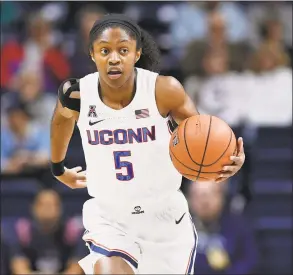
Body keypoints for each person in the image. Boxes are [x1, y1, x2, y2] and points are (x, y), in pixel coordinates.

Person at [50, 14, 245, 274]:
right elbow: (62, 121)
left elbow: (201, 139)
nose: (114, 58)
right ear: (92, 54)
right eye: (105, 50)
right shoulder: (75, 95)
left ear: (137, 53)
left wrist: (227, 161)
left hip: (164, 218)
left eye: (123, 50)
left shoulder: (163, 90)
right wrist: (58, 167)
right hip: (110, 216)